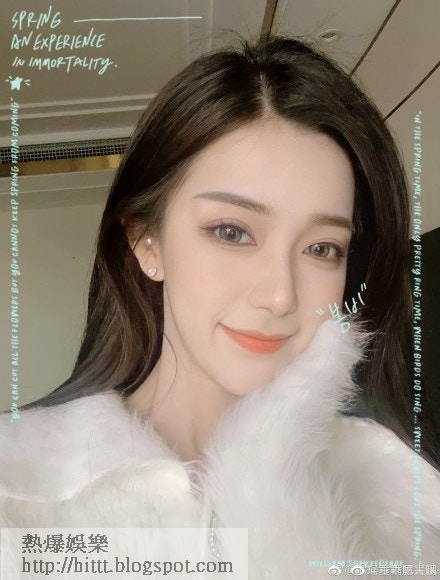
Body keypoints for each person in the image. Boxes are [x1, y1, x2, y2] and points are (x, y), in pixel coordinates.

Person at [1, 34, 439, 578]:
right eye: (231, 231)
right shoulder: (18, 486)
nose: (279, 295)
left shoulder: (394, 486)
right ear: (146, 242)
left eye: (322, 248)